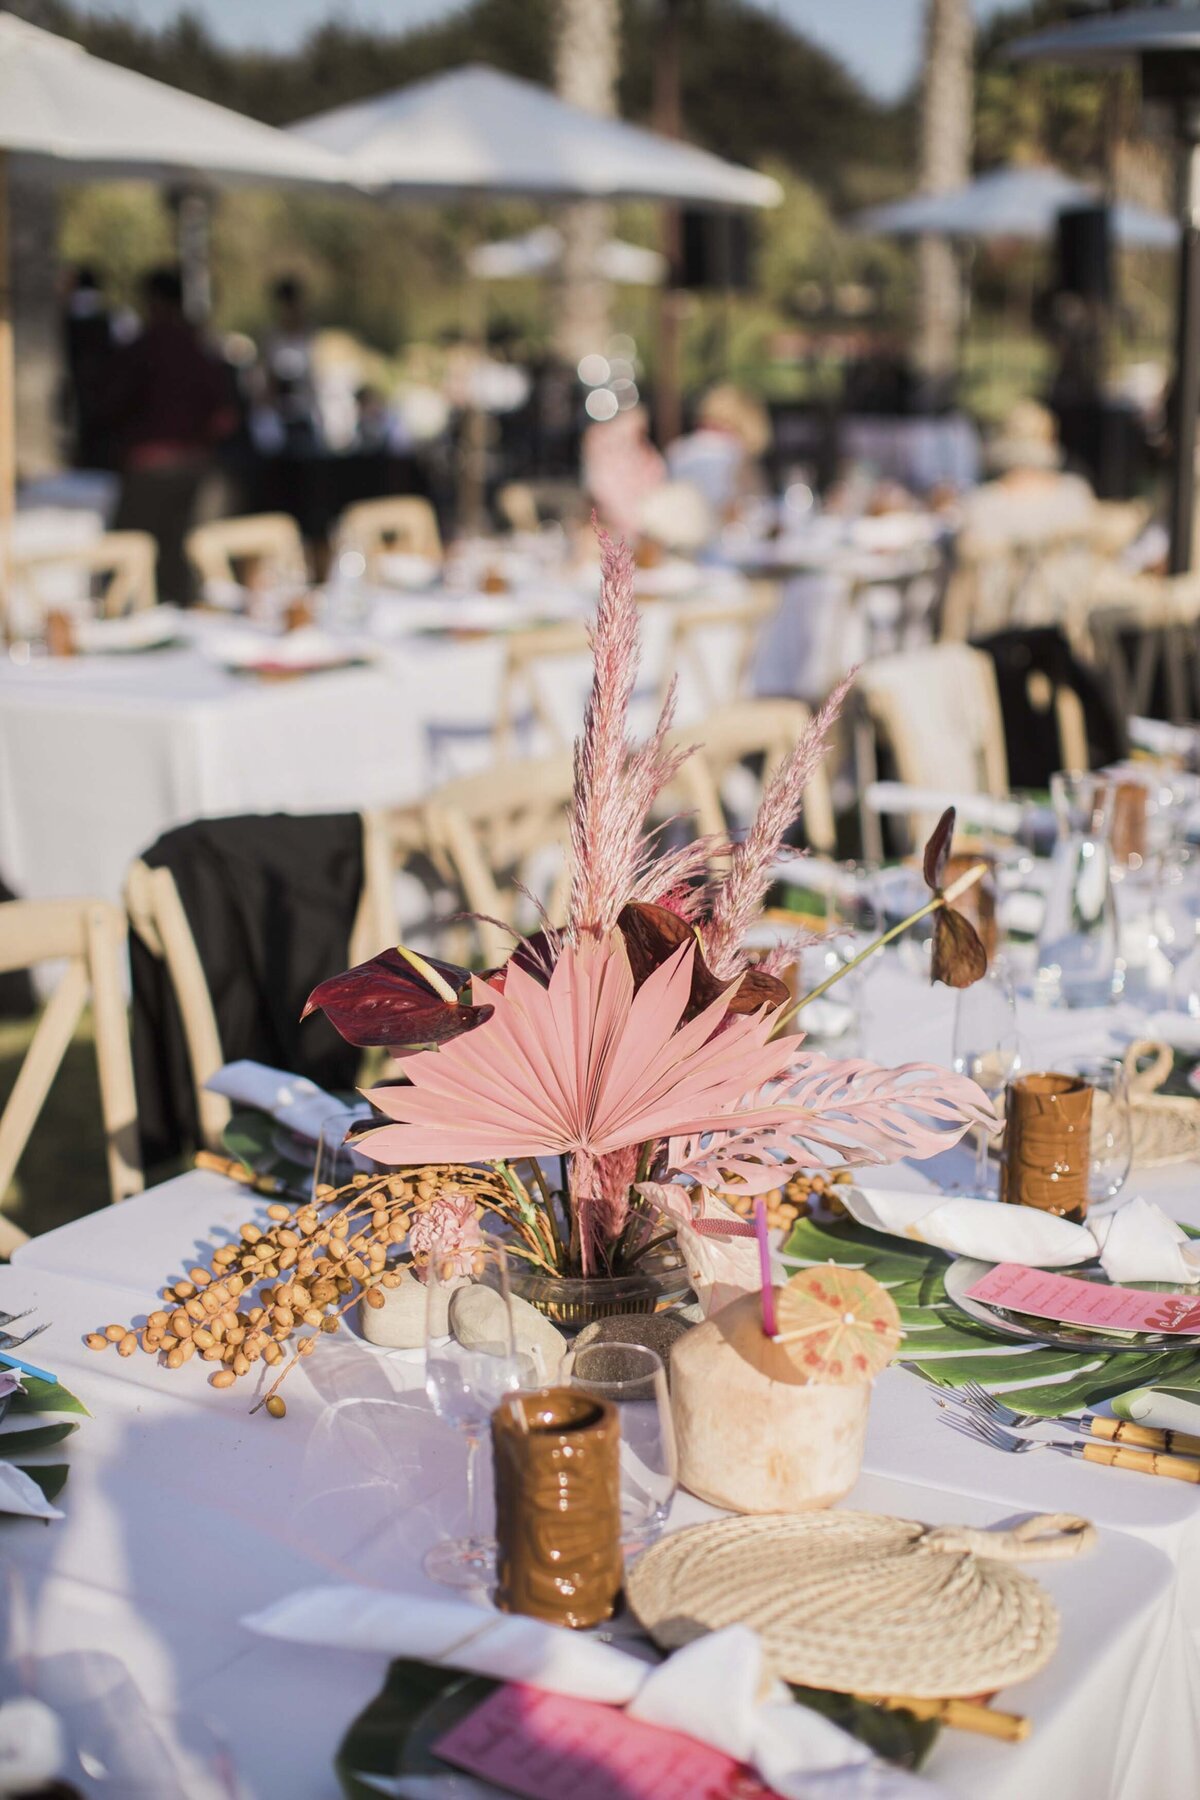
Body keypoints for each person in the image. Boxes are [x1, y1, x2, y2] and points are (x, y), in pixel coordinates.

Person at [103, 266, 236, 603]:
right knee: (180, 571)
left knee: (127, 568)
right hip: (195, 468)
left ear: (153, 301)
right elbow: (224, 416)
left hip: (151, 468)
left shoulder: (144, 347)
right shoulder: (199, 349)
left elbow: (111, 404)